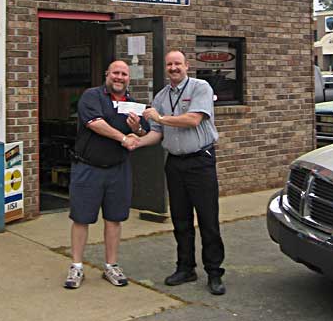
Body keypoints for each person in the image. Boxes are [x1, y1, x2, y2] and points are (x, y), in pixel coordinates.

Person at [133, 49, 226, 296]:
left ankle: (214, 272)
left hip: (201, 161)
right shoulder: (161, 96)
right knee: (181, 220)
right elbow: (156, 133)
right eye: (169, 64)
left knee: (208, 219)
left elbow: (193, 119)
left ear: (187, 65)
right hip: (174, 163)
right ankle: (185, 267)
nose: (174, 68)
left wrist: (161, 118)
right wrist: (135, 139)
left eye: (178, 64)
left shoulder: (200, 87)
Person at [63, 60, 144, 289]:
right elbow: (95, 123)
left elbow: (142, 131)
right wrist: (123, 137)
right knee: (81, 218)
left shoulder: (132, 103)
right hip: (88, 167)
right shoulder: (92, 96)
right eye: (115, 73)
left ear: (129, 78)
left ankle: (111, 266)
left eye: (124, 74)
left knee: (115, 218)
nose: (119, 77)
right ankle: (77, 267)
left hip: (118, 168)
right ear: (107, 74)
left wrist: (136, 128)